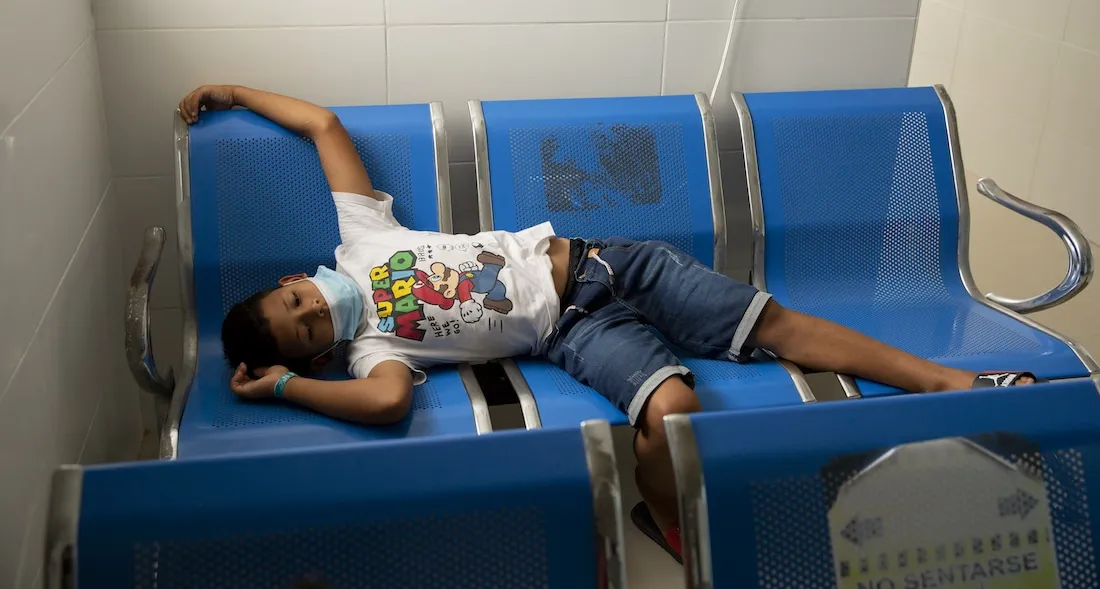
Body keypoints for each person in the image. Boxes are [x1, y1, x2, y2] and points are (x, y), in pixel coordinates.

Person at [179, 85, 1039, 561]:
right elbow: (383, 408)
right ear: (321, 349)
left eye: (295, 300)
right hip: (574, 328)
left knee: (779, 324)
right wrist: (288, 385)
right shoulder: (374, 349)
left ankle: (953, 382)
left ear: (297, 278)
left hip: (613, 260)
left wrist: (230, 90)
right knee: (674, 413)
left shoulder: (361, 235)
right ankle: (662, 513)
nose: (309, 310)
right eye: (303, 330)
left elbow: (322, 122)